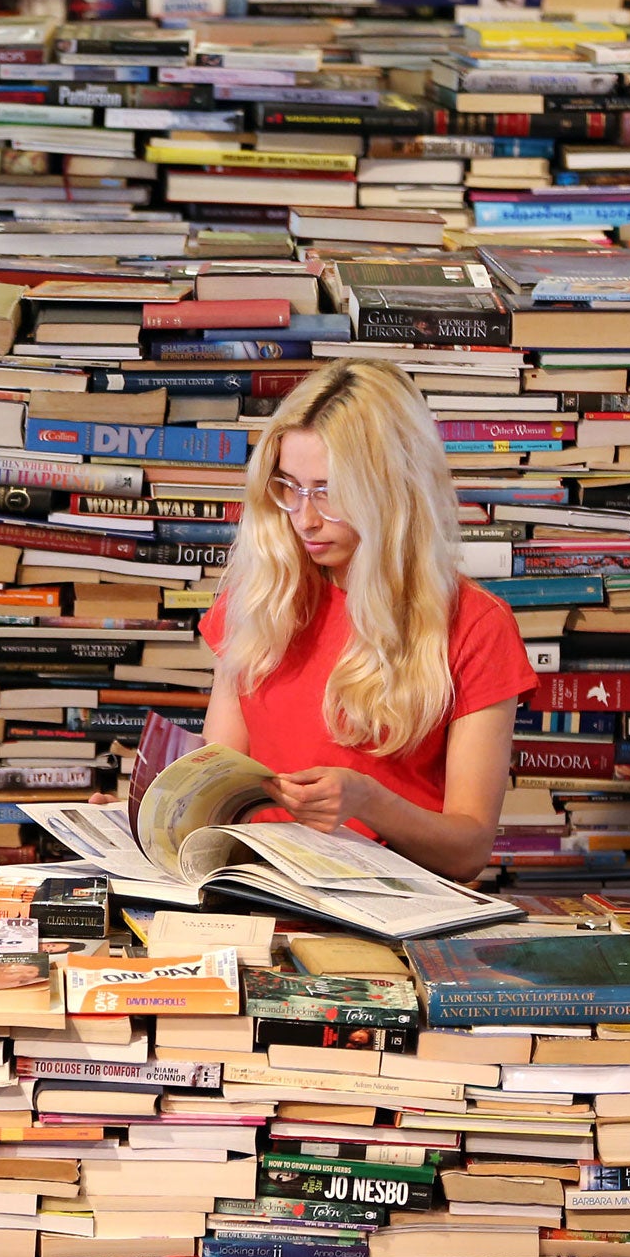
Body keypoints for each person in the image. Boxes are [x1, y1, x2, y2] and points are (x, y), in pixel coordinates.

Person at [200, 359, 539, 882]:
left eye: (329, 491)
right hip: (256, 898)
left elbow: (468, 851)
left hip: (390, 916)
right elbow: (215, 788)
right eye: (289, 486)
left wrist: (368, 801)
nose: (304, 518)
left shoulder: (475, 624)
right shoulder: (260, 597)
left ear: (393, 490)